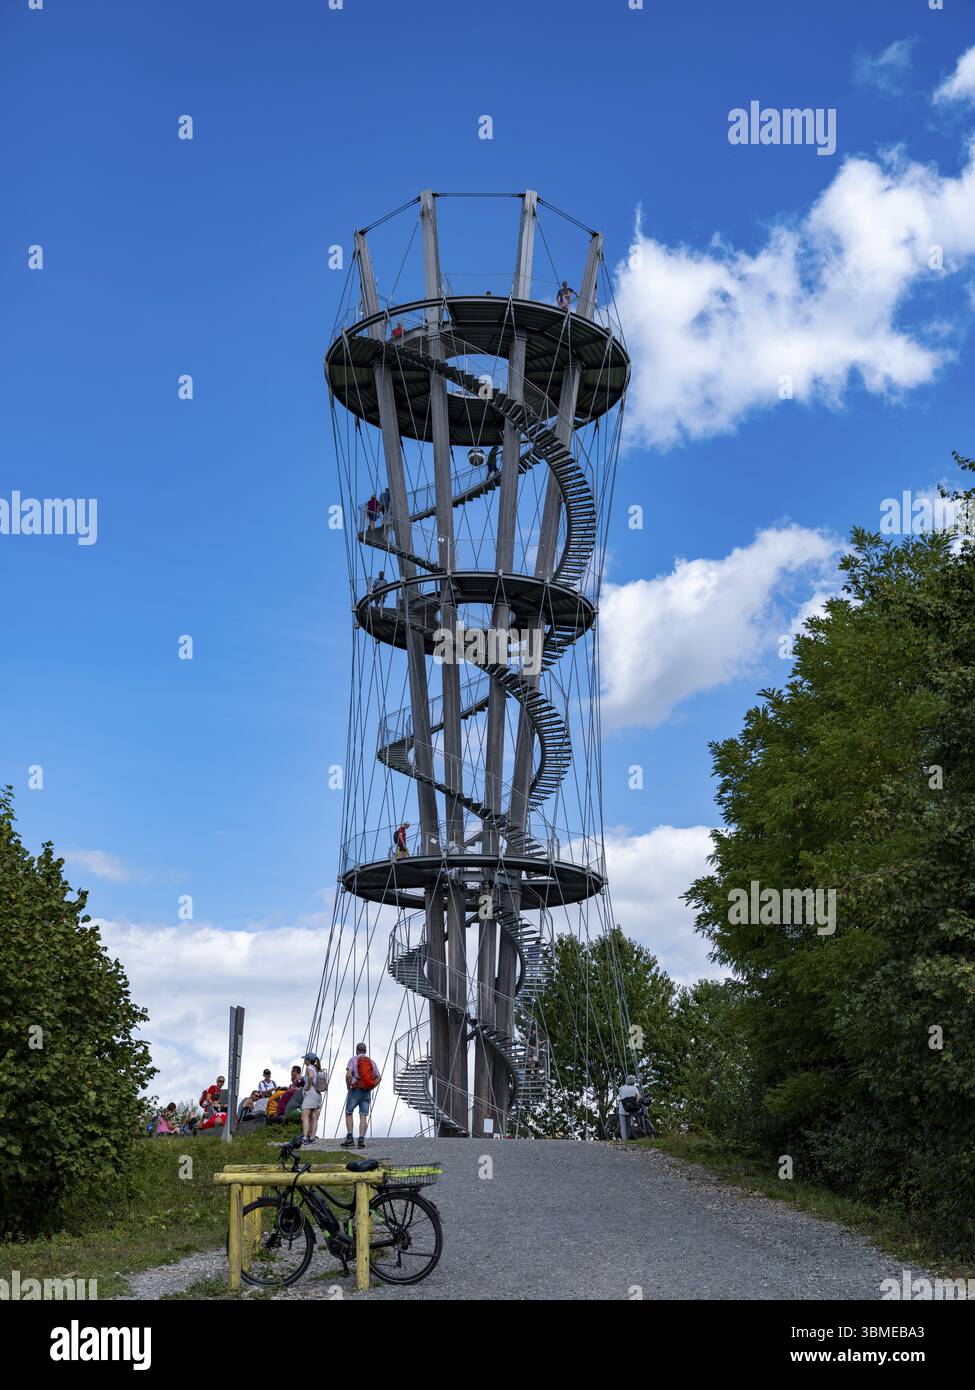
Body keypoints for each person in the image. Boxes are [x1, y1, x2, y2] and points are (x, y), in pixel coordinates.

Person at [341, 1043, 381, 1149]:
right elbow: (379, 1077)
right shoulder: (371, 1062)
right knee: (363, 1115)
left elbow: (349, 1075)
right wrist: (371, 1087)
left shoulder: (353, 1060)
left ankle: (350, 1137)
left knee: (349, 1113)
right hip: (366, 1091)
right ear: (366, 1051)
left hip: (355, 1090)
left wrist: (348, 1086)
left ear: (356, 1050)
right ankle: (361, 1139)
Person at [300, 1053, 326, 1145]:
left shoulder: (309, 1068)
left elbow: (310, 1076)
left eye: (305, 1059)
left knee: (305, 1116)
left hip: (310, 1093)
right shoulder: (316, 1069)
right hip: (317, 1094)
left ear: (308, 1060)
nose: (304, 1060)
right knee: (314, 1117)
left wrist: (308, 1086)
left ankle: (304, 1137)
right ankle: (312, 1137)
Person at [617, 1074, 642, 1140]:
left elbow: (621, 1096)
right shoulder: (635, 1088)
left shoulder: (621, 1088)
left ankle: (624, 1140)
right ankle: (627, 1140)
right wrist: (636, 1103)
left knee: (623, 1126)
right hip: (630, 1109)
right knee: (629, 1125)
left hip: (622, 1109)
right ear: (633, 1081)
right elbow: (638, 1097)